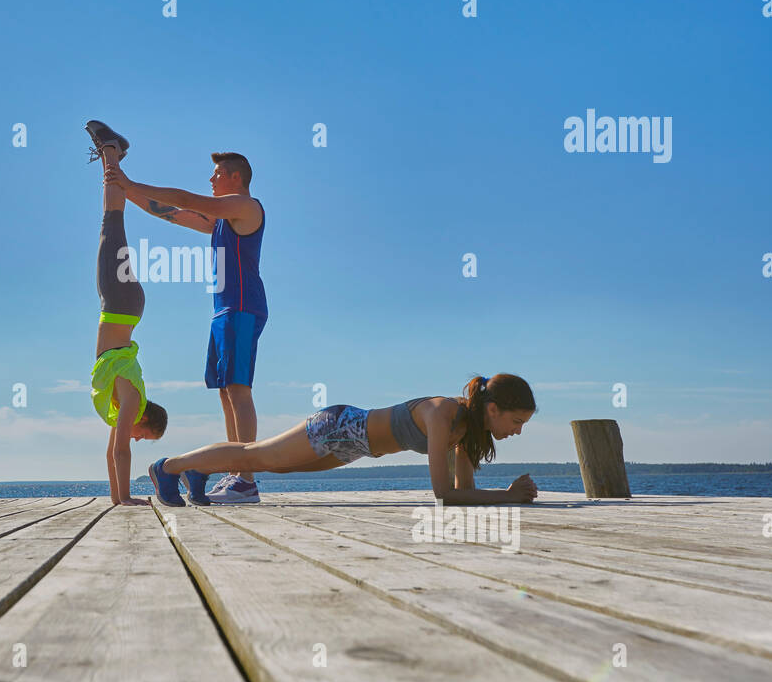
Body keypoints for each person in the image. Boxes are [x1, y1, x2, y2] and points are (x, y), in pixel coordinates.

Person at [104, 152, 267, 506]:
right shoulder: (220, 221)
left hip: (242, 309)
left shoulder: (245, 206)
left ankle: (247, 478)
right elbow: (173, 214)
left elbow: (185, 199)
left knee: (238, 390)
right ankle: (237, 472)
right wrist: (124, 190)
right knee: (226, 393)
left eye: (217, 174)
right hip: (224, 311)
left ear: (235, 177)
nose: (211, 180)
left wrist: (129, 183)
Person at [147, 374, 538, 507]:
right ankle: (170, 467)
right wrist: (507, 494)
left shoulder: (467, 432)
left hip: (356, 448)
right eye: (517, 420)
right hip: (341, 426)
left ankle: (196, 472)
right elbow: (443, 494)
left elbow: (464, 491)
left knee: (272, 465)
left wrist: (504, 494)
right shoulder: (443, 414)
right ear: (493, 409)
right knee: (256, 456)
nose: (518, 431)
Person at [85, 119, 167, 506]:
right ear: (146, 419)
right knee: (111, 224)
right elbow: (121, 452)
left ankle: (112, 152)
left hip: (121, 306)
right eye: (143, 435)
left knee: (111, 225)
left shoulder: (128, 402)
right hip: (121, 303)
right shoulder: (132, 399)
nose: (135, 437)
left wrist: (118, 499)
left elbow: (110, 451)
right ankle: (111, 150)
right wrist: (125, 500)